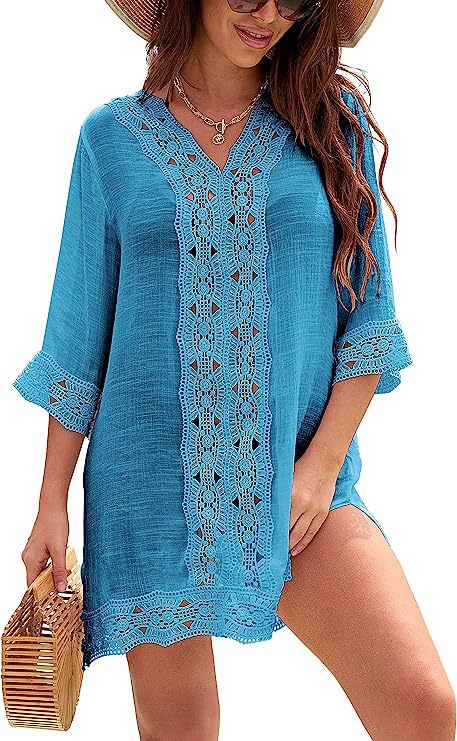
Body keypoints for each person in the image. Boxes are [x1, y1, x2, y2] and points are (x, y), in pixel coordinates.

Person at [12, 0, 455, 738]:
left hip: (296, 479)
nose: (269, 15)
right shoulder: (110, 141)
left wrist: (321, 466)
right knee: (182, 730)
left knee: (423, 709)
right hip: (149, 495)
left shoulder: (329, 125)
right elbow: (78, 336)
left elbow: (369, 320)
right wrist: (50, 501)